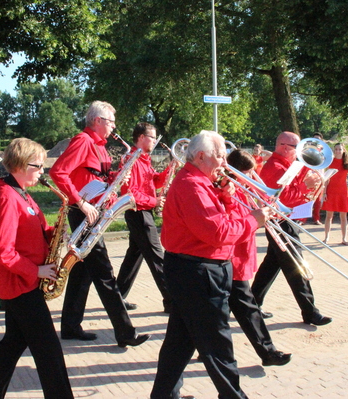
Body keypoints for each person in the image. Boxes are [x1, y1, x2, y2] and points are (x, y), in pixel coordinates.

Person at [151, 131, 270, 399]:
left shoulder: (202, 182)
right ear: (201, 156)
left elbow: (219, 221)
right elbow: (217, 233)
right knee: (217, 344)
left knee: (180, 342)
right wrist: (253, 221)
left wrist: (226, 197)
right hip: (198, 271)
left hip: (198, 269)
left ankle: (164, 395)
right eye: (219, 156)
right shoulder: (192, 185)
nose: (224, 162)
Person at [0, 138, 73, 399]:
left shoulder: (21, 193)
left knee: (11, 347)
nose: (43, 172)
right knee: (49, 352)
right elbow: (2, 251)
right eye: (38, 166)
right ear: (19, 165)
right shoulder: (7, 197)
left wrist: (55, 235)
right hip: (21, 286)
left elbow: (32, 232)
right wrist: (37, 271)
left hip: (25, 284)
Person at [49, 100, 149, 347]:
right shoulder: (83, 141)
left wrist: (118, 176)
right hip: (85, 214)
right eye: (111, 121)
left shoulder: (100, 146)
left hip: (94, 212)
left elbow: (96, 177)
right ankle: (125, 332)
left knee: (83, 273)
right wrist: (81, 203)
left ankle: (71, 326)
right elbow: (58, 172)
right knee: (105, 274)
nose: (114, 126)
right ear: (98, 121)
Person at [251, 131, 332, 326]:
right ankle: (310, 312)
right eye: (297, 148)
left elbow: (295, 193)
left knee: (271, 265)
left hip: (285, 220)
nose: (299, 153)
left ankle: (251, 303)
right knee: (296, 266)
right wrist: (306, 187)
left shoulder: (290, 164)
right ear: (284, 147)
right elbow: (282, 199)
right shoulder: (275, 167)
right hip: (280, 221)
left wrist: (312, 182)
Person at [226, 149, 291, 367]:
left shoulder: (245, 187)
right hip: (231, 258)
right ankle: (268, 352)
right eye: (248, 173)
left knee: (216, 315)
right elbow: (235, 221)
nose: (253, 177)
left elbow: (266, 202)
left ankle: (206, 350)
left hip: (240, 255)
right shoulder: (230, 189)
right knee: (247, 309)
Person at [115, 122, 172, 313]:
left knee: (134, 256)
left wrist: (171, 168)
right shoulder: (131, 160)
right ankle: (171, 300)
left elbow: (155, 181)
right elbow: (129, 194)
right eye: (152, 137)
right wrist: (154, 202)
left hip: (142, 212)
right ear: (140, 137)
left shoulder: (144, 159)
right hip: (138, 212)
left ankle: (118, 297)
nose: (155, 141)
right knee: (157, 257)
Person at [322, 143, 348, 245]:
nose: (338, 151)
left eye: (339, 149)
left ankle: (344, 238)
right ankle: (326, 237)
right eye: (336, 149)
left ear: (343, 150)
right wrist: (324, 193)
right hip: (331, 191)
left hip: (343, 191)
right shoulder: (330, 162)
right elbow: (326, 178)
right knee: (329, 216)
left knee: (343, 216)